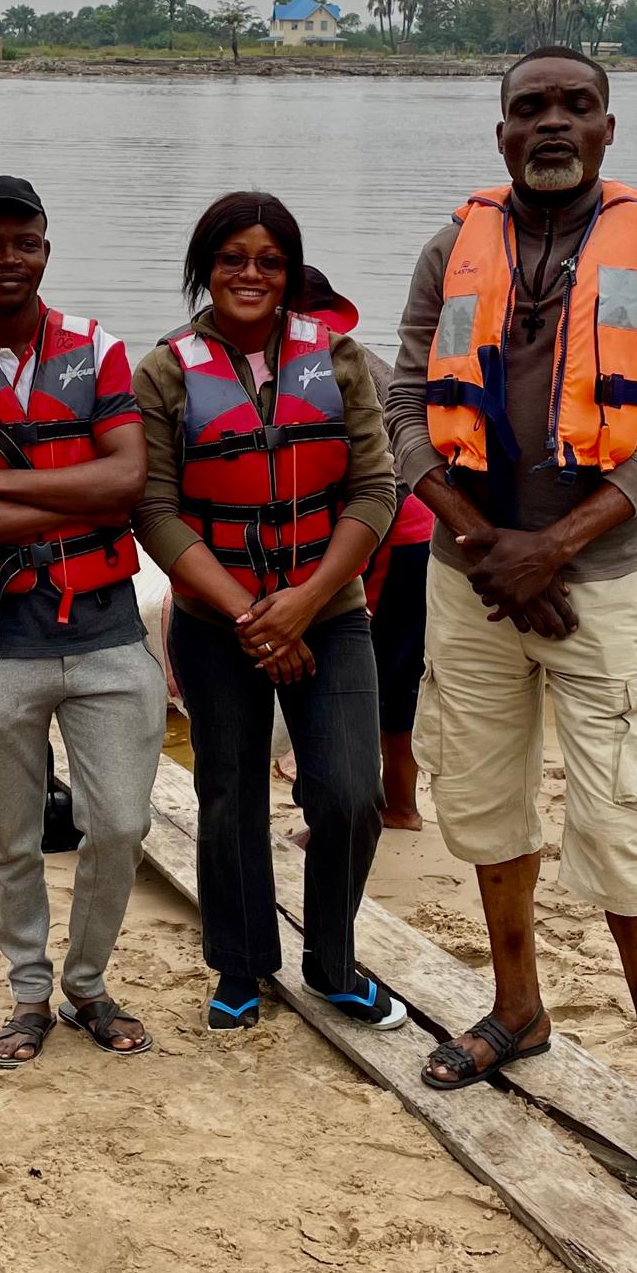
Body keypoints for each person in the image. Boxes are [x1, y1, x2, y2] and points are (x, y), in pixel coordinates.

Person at [385, 44, 637, 1183]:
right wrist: (487, 546)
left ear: (608, 129)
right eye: (530, 108)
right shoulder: (451, 249)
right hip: (472, 579)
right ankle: (516, 1006)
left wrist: (555, 548)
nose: (553, 124)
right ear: (501, 133)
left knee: (620, 822)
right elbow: (403, 411)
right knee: (482, 803)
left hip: (600, 585)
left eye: (577, 106)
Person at [0, 175, 165, 1067]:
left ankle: (87, 983)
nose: (8, 259)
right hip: (0, 639)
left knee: (120, 824)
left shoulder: (98, 349)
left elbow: (125, 481)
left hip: (106, 631)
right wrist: (69, 497)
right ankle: (28, 994)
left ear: (46, 250)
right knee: (10, 837)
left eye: (24, 242)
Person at [135, 192, 405, 1033]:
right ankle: (240, 965)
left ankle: (333, 963)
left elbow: (376, 489)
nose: (250, 274)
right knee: (230, 796)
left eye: (270, 261)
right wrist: (254, 616)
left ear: (290, 273)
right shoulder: (165, 372)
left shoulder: (342, 359)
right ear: (205, 269)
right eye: (232, 259)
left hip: (330, 612)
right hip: (217, 623)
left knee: (350, 794)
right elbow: (155, 510)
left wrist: (307, 601)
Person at [301, 268, 432, 832]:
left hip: (384, 531)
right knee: (396, 673)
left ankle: (348, 812)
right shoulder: (361, 357)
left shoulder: (320, 364)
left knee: (345, 669)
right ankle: (400, 804)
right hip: (416, 526)